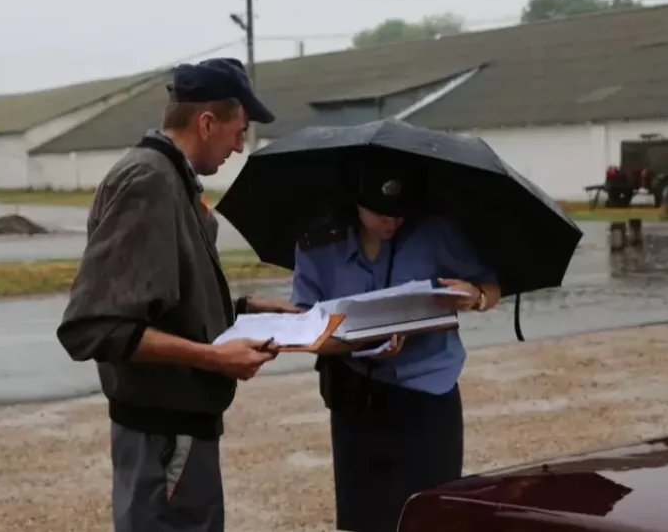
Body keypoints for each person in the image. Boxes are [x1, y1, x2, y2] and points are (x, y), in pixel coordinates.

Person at [56, 57, 298, 532]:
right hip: (163, 436)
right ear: (207, 123)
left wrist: (242, 311)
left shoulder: (172, 180)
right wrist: (214, 358)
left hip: (174, 432)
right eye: (239, 131)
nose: (239, 146)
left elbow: (162, 304)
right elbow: (98, 327)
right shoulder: (151, 181)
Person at [290, 149, 503, 532]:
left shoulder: (434, 232)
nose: (391, 222)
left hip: (428, 396)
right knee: (363, 519)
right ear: (355, 202)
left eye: (399, 212)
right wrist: (360, 342)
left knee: (430, 516)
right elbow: (304, 328)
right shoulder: (319, 244)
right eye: (380, 213)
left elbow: (489, 286)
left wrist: (476, 296)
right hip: (357, 401)